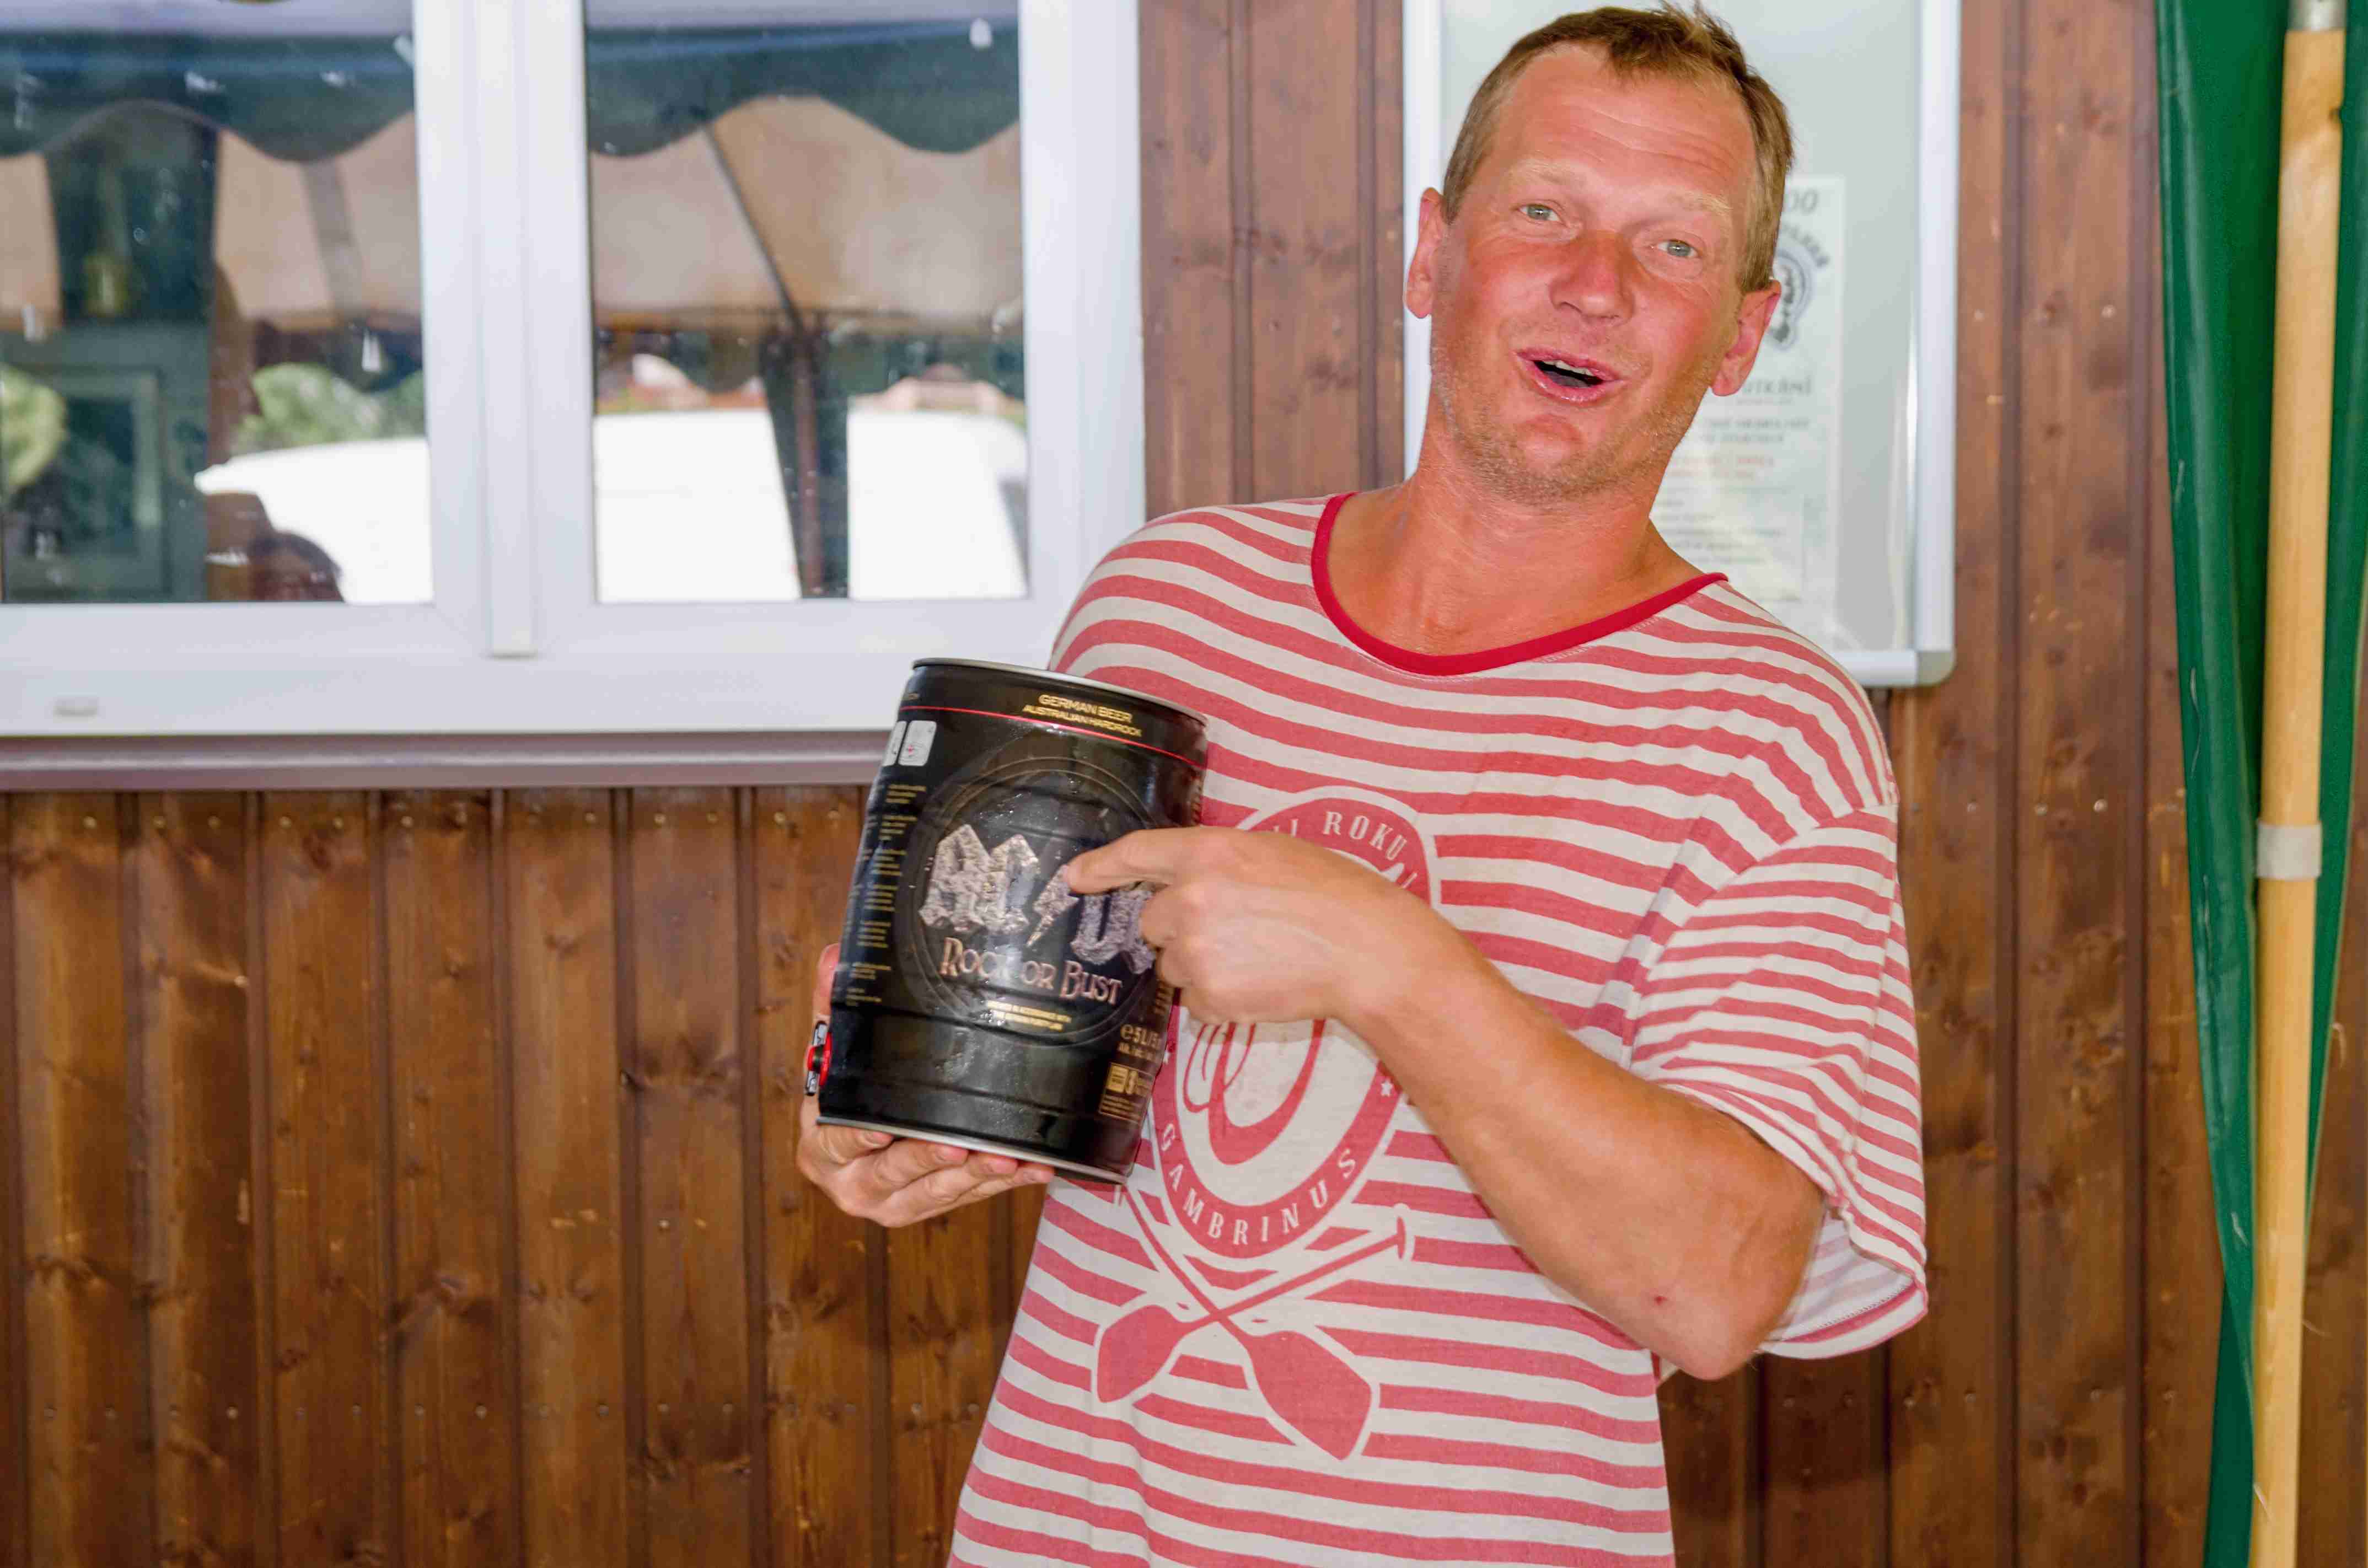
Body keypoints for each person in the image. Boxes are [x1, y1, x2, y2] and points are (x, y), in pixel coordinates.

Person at [799, 6, 1927, 1563]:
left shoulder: (1773, 732)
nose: (1595, 284)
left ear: (1739, 336)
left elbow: (1721, 1288)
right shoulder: (1165, 605)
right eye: (1545, 211)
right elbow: (1012, 1044)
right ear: (1430, 252)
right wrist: (883, 1100)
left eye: (1672, 245)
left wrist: (1388, 961)